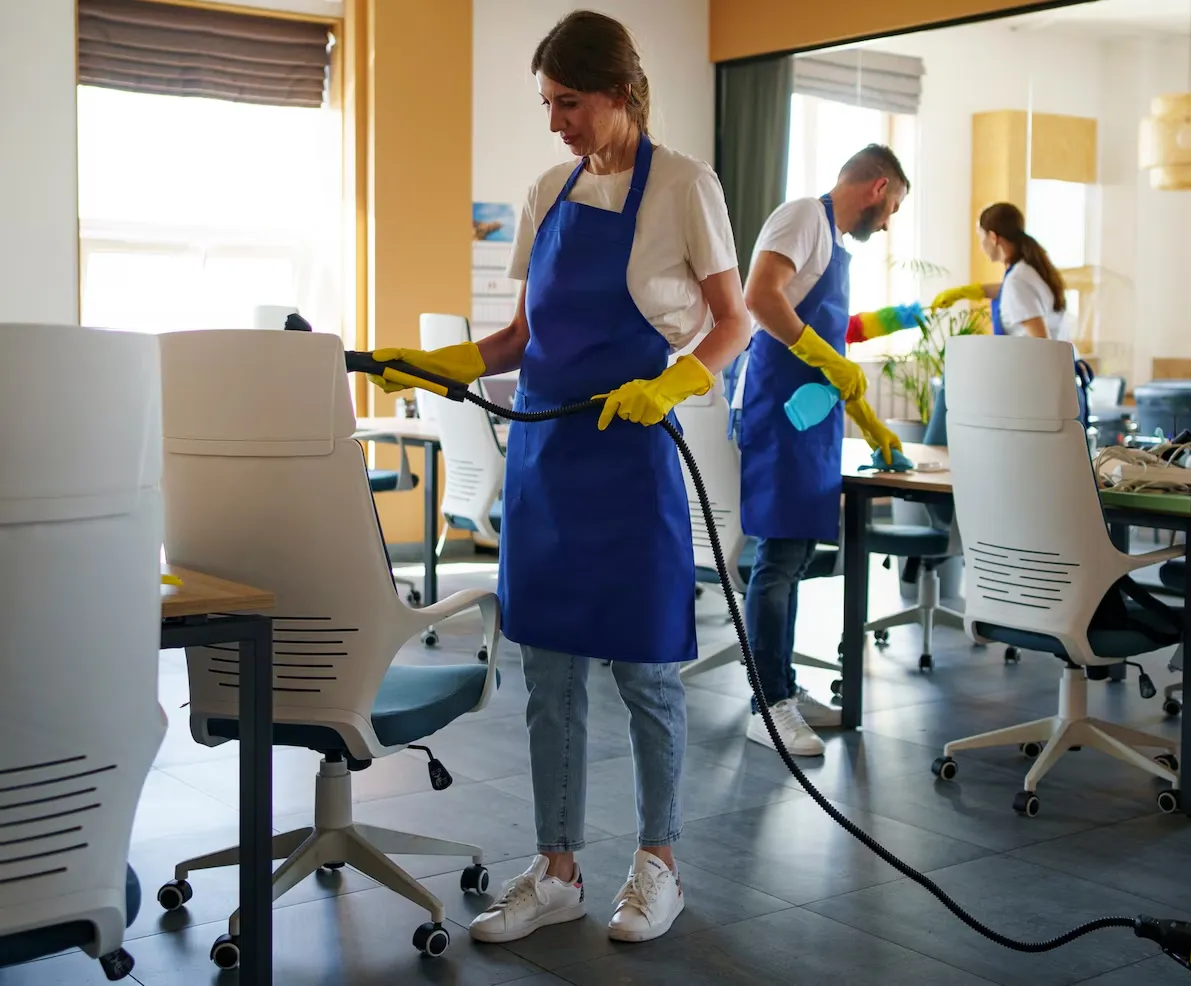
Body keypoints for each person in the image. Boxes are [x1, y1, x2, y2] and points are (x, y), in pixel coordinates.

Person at [367, 10, 749, 946]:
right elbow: (519, 338)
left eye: (567, 103)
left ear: (619, 92)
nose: (555, 123)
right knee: (548, 677)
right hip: (546, 464)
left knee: (648, 674)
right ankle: (559, 869)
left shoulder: (687, 187)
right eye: (547, 104)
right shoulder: (546, 189)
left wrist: (671, 387)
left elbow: (734, 323)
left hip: (633, 460)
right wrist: (436, 362)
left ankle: (659, 866)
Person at [735, 145, 908, 756]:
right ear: (877, 186)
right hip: (780, 413)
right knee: (778, 559)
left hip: (809, 420)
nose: (887, 223)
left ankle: (780, 689)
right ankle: (768, 705)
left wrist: (872, 421)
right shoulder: (803, 217)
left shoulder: (831, 241)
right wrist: (826, 357)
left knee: (796, 555)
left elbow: (832, 337)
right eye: (892, 209)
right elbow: (760, 297)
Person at [932, 202, 1093, 427]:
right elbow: (1010, 292)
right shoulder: (1028, 271)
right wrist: (969, 291)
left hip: (1045, 393)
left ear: (994, 237)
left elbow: (1041, 343)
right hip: (1063, 384)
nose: (981, 245)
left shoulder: (1018, 280)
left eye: (981, 237)